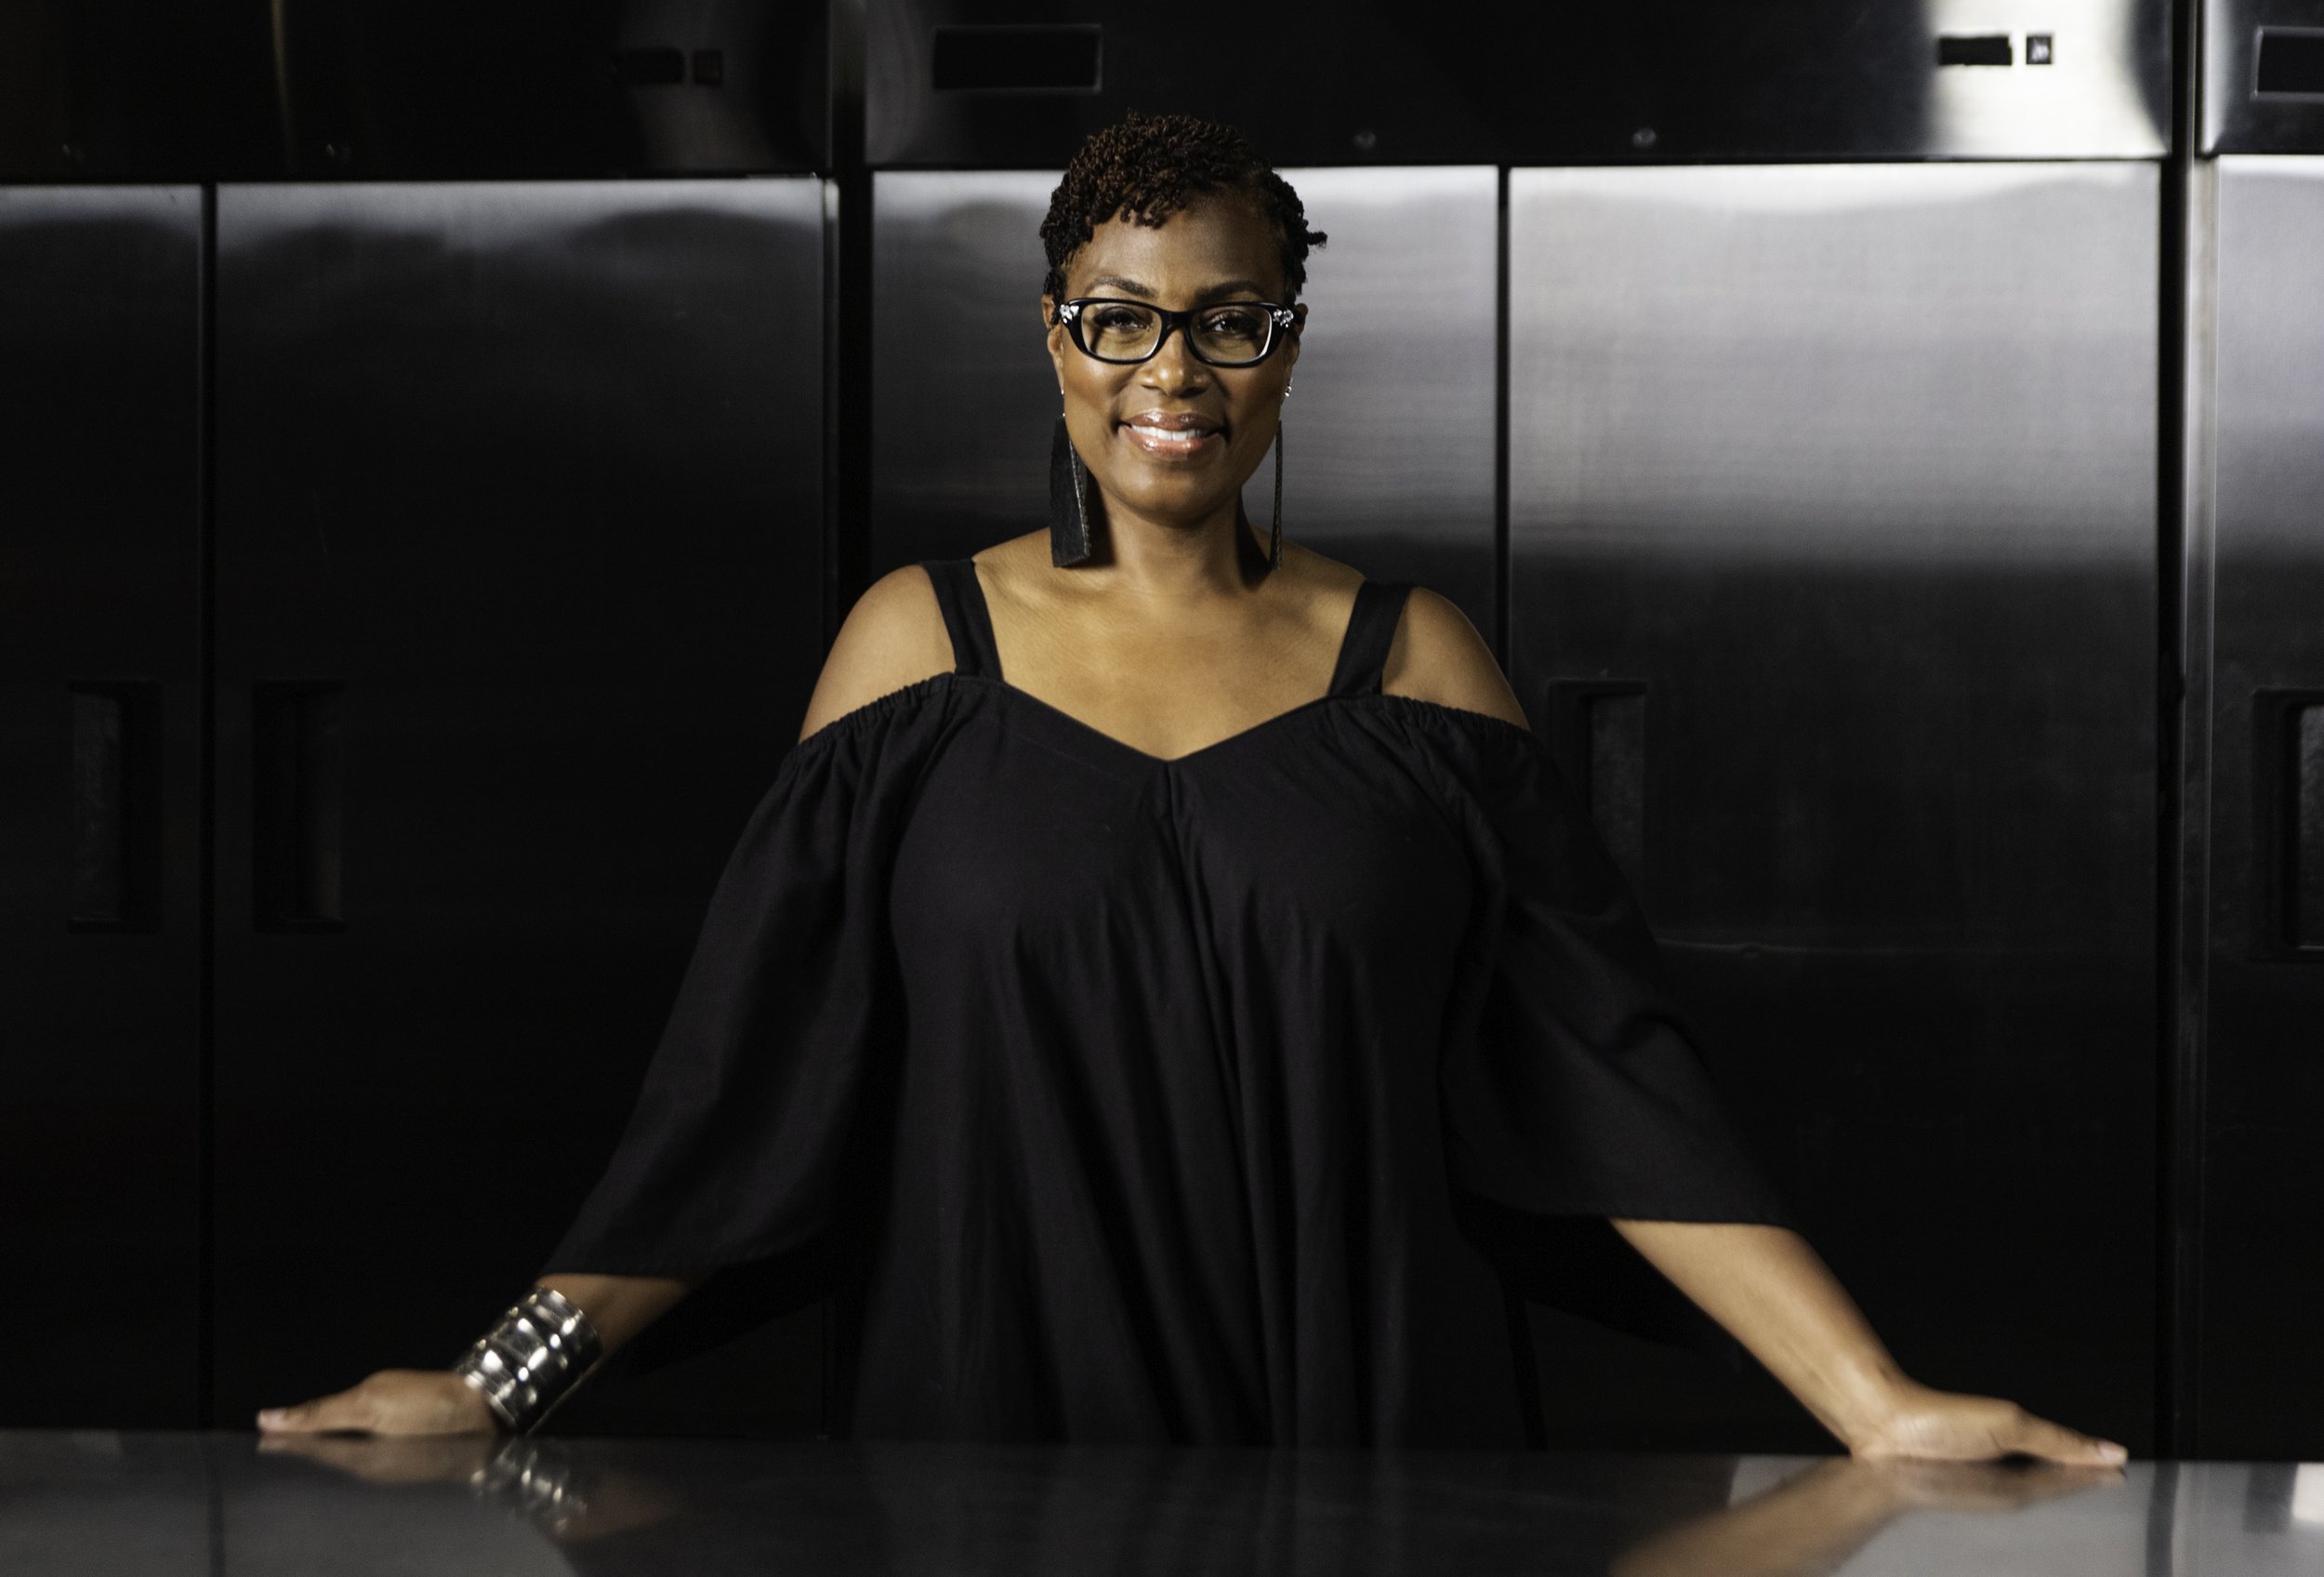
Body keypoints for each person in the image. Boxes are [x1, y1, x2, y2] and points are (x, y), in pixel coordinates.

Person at [259, 113, 2124, 1463]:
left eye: (1227, 318)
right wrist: (491, 1378)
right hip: (982, 1459)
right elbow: (737, 1102)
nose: (1175, 369)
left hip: (1372, 1448)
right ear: (1053, 339)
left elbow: (1616, 1092)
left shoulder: (1415, 663)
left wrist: (1871, 1398)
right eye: (1118, 315)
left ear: (1287, 348)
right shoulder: (915, 650)